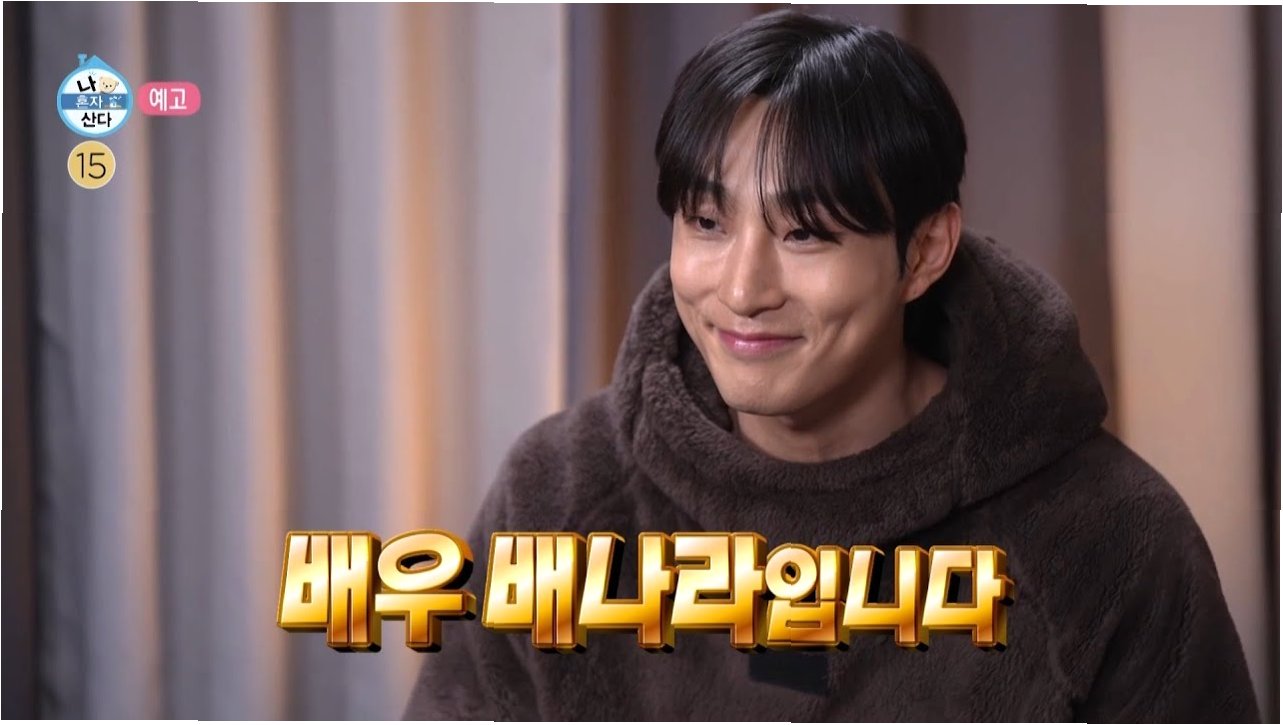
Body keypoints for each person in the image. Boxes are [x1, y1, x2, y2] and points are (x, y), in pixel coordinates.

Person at [403, 10, 1260, 721]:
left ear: (922, 252)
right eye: (707, 222)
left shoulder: (1107, 539)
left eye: (804, 232)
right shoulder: (557, 496)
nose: (743, 289)